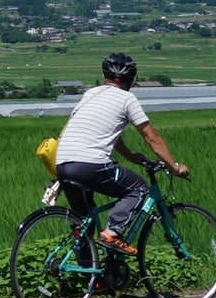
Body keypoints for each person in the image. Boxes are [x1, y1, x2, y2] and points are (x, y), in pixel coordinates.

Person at [53, 52, 189, 256]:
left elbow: (110, 134)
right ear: (132, 80)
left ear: (103, 75)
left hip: (63, 164)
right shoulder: (127, 99)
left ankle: (93, 281)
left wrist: (132, 157)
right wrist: (174, 167)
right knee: (139, 188)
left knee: (83, 224)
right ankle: (113, 233)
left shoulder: (91, 94)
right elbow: (151, 137)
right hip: (92, 165)